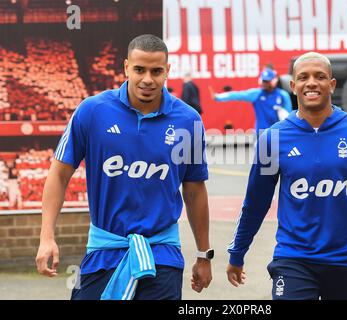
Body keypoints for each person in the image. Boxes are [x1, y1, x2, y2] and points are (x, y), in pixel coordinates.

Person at [226, 52, 347, 300]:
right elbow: (255, 203)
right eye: (303, 77)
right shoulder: (272, 139)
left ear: (332, 84)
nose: (312, 83)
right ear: (293, 86)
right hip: (293, 259)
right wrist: (237, 253)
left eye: (320, 76)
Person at [35, 34, 213, 300]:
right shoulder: (92, 111)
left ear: (167, 71)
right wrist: (46, 237)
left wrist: (203, 254)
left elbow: (195, 190)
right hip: (105, 251)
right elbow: (59, 175)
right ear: (126, 67)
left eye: (157, 71)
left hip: (162, 253)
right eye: (139, 69)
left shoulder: (188, 120)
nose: (147, 79)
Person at [210, 68, 292, 135]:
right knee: (263, 155)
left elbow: (288, 115)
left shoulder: (283, 95)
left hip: (278, 133)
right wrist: (218, 97)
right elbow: (237, 95)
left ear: (274, 81)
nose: (265, 83)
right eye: (263, 81)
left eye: (267, 81)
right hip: (261, 133)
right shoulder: (257, 94)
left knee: (278, 155)